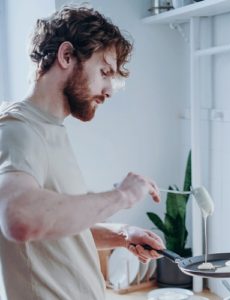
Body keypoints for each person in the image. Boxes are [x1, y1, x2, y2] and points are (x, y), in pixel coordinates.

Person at [0, 5, 164, 300]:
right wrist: (123, 195)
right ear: (66, 56)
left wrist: (121, 235)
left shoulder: (48, 128)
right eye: (104, 72)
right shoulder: (18, 130)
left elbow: (56, 231)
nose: (109, 90)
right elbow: (19, 218)